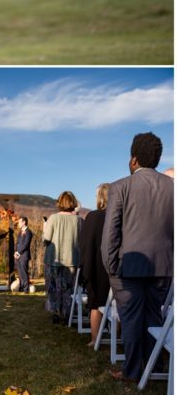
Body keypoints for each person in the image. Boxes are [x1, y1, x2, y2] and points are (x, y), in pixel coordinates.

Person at [101, 132, 174, 382]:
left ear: (134, 160)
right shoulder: (172, 188)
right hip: (164, 266)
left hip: (128, 267)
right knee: (154, 316)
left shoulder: (121, 186)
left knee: (131, 318)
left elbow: (111, 232)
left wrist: (111, 266)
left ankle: (132, 371)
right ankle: (153, 366)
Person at [79, 184, 111, 346]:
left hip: (96, 264)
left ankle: (95, 338)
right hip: (115, 264)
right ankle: (116, 334)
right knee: (116, 302)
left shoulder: (92, 217)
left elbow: (85, 243)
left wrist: (86, 265)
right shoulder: (121, 215)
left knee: (96, 302)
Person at [43, 192, 81, 324]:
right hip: (72, 260)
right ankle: (67, 315)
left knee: (53, 287)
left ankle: (55, 313)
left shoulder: (53, 218)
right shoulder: (79, 220)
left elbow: (47, 239)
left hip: (53, 259)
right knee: (68, 289)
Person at [14, 216, 33, 293]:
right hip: (18, 255)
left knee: (24, 272)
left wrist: (19, 252)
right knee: (20, 272)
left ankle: (26, 289)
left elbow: (26, 244)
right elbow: (17, 243)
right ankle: (21, 287)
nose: (18, 223)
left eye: (19, 222)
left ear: (24, 222)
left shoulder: (28, 232)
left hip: (24, 255)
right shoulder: (20, 232)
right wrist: (15, 252)